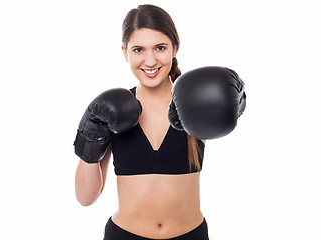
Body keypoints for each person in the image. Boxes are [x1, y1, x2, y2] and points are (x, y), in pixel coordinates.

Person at [74, 4, 246, 240]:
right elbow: (85, 197)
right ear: (124, 52)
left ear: (175, 48)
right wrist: (89, 135)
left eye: (160, 47)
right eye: (138, 50)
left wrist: (237, 101)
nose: (150, 60)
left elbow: (230, 102)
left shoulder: (193, 103)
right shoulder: (114, 109)